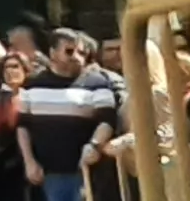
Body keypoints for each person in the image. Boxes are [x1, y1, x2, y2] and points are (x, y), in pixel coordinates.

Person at [20, 29, 123, 201]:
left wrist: (95, 144)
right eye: (69, 51)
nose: (76, 56)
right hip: (48, 173)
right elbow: (23, 126)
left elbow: (107, 120)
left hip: (87, 171)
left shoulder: (97, 82)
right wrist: (29, 162)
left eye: (81, 52)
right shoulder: (32, 84)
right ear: (52, 53)